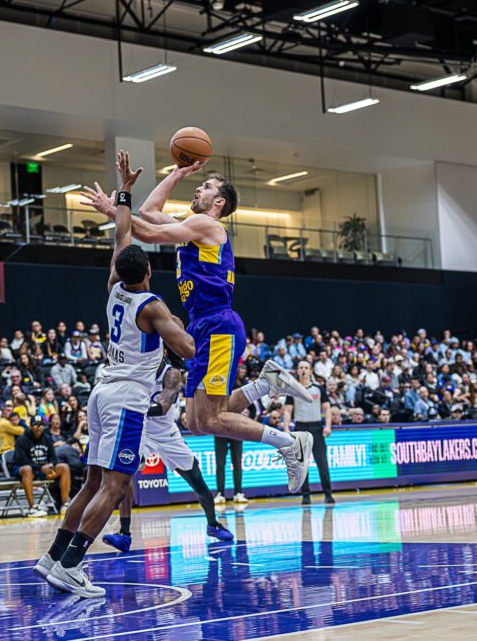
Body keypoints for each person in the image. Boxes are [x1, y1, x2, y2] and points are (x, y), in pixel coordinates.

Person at [82, 156, 314, 495]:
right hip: (203, 324)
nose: (198, 188)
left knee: (209, 420)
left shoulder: (206, 226)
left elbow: (145, 230)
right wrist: (176, 173)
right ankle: (264, 385)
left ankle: (291, 442)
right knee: (196, 422)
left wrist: (113, 207)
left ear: (218, 202)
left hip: (218, 323)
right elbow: (148, 211)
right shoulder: (190, 230)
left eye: (206, 186)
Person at [35, 151, 196, 598]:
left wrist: (124, 191)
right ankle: (72, 564)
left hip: (102, 392)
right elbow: (185, 348)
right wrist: (189, 328)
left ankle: (53, 556)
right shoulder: (153, 306)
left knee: (92, 483)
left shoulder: (114, 289)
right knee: (116, 484)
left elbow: (122, 234)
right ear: (147, 271)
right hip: (126, 398)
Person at [102, 359, 233, 553]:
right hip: (143, 433)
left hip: (168, 435)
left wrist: (129, 410)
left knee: (198, 481)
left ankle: (213, 524)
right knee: (125, 476)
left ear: (162, 353)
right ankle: (125, 534)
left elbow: (162, 407)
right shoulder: (136, 369)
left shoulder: (171, 374)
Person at [283, 361, 335, 505]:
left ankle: (328, 494)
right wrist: (286, 428)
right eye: (301, 368)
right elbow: (287, 411)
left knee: (322, 463)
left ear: (311, 371)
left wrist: (328, 426)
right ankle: (305, 495)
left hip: (317, 429)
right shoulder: (292, 389)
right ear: (297, 371)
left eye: (306, 368)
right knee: (301, 465)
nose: (303, 370)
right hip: (300, 428)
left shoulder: (318, 389)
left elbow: (327, 409)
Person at [12, 417, 71, 514]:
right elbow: (21, 460)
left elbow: (53, 457)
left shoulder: (47, 439)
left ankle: (65, 505)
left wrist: (51, 465)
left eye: (41, 425)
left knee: (64, 467)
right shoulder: (22, 440)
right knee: (27, 469)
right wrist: (40, 468)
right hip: (23, 470)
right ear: (30, 427)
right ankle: (32, 508)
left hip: (42, 470)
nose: (39, 428)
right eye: (36, 425)